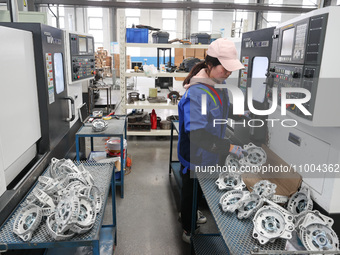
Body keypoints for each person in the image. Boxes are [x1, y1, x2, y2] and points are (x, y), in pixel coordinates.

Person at [177, 38, 247, 243]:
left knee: (199, 189)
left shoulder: (217, 83)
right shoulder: (196, 93)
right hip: (195, 152)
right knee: (190, 190)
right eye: (224, 69)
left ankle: (192, 212)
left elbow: (222, 108)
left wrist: (241, 114)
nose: (227, 73)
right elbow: (197, 135)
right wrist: (230, 147)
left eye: (230, 69)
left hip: (210, 150)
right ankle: (188, 230)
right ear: (209, 65)